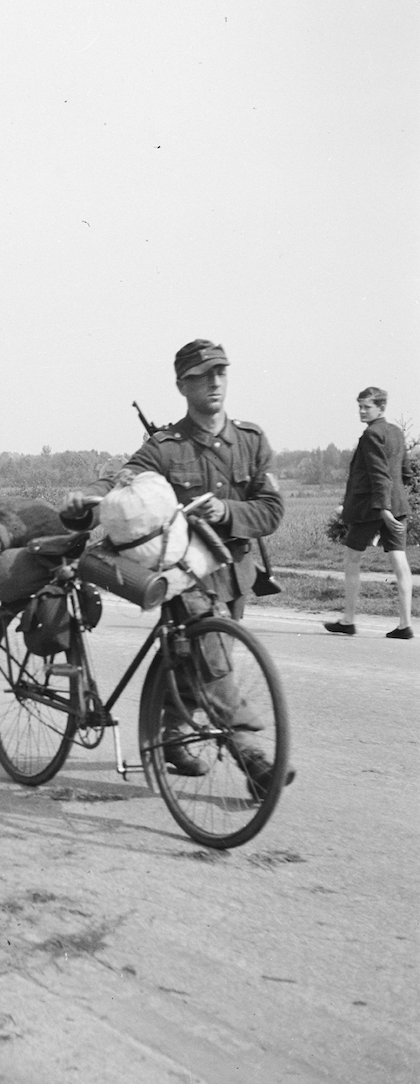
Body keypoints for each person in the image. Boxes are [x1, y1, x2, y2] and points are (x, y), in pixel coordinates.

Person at [63, 339, 291, 793]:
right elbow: (122, 480)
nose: (215, 382)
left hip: (234, 573)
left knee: (197, 658)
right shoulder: (166, 447)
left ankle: (170, 735)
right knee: (213, 660)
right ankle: (253, 757)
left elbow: (270, 510)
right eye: (203, 376)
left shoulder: (251, 440)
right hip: (184, 576)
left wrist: (227, 513)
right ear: (181, 385)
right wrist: (85, 498)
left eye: (221, 373)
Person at [325, 386, 413, 640]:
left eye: (367, 406)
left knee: (352, 559)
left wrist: (383, 509)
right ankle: (405, 625)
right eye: (360, 407)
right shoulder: (396, 432)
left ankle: (348, 620)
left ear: (381, 407)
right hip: (396, 506)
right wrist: (393, 504)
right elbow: (405, 473)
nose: (362, 411)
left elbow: (378, 474)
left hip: (371, 510)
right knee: (400, 562)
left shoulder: (371, 435)